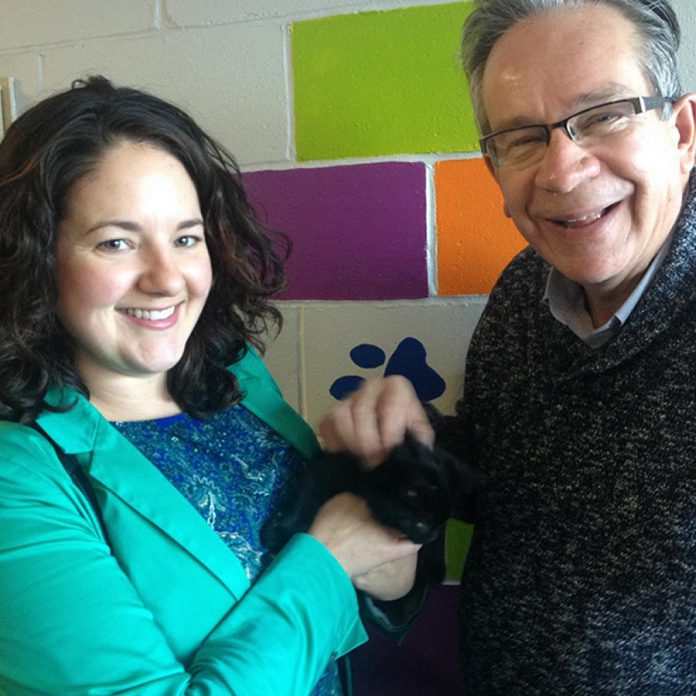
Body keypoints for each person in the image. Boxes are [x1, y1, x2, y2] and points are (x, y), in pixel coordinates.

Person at [319, 0, 696, 692]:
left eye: (604, 114)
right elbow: (514, 476)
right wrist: (414, 437)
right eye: (523, 136)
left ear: (681, 132)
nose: (562, 170)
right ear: (493, 169)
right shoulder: (525, 287)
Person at [0, 76, 421, 695]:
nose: (167, 279)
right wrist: (328, 562)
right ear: (36, 258)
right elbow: (327, 569)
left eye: (185, 237)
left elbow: (377, 595)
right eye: (117, 242)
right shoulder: (19, 474)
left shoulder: (233, 376)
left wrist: (384, 493)